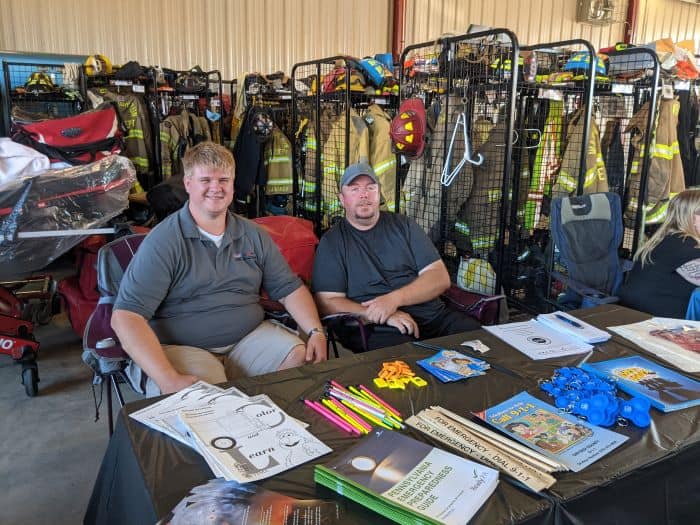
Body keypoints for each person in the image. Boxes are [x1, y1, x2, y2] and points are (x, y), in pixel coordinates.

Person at [112, 142, 327, 396]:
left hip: (247, 338)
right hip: (186, 348)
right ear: (188, 184)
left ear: (233, 184)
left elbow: (289, 289)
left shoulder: (253, 234)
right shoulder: (164, 241)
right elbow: (126, 316)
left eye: (224, 180)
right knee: (209, 398)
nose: (216, 187)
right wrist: (168, 379)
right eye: (206, 180)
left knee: (299, 358)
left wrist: (316, 331)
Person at [311, 162, 480, 352]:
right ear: (342, 199)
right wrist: (375, 313)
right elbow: (327, 302)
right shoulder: (332, 242)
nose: (364, 194)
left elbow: (439, 278)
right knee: (405, 361)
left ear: (379, 193)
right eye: (354, 189)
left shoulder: (404, 226)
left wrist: (393, 300)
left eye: (370, 188)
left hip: (432, 317)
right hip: (377, 327)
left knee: (479, 341)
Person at [618, 189, 700, 318]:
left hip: (631, 312)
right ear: (692, 217)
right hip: (654, 321)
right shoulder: (686, 245)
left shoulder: (665, 239)